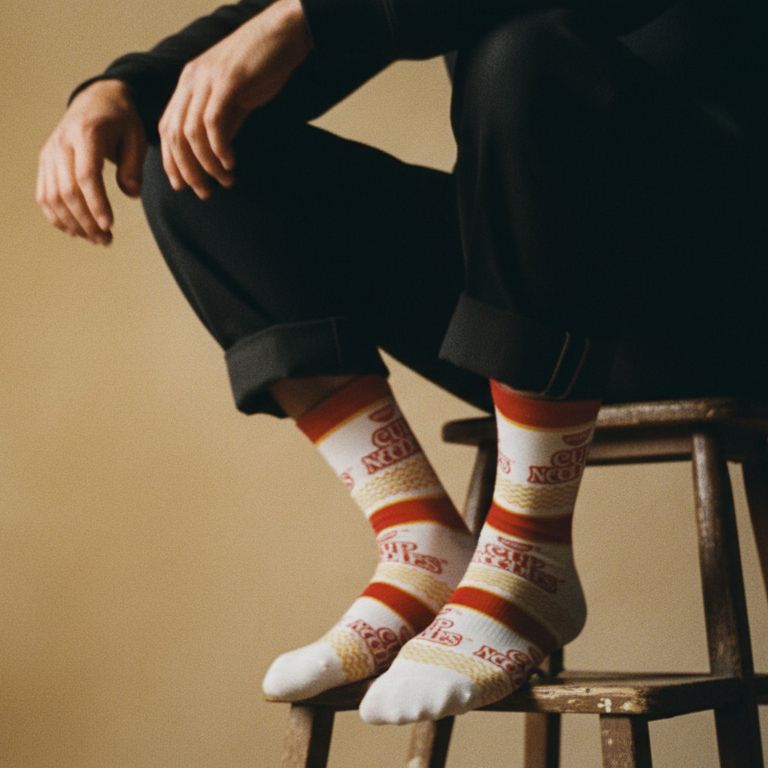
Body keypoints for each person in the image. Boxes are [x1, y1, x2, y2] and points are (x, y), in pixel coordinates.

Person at [37, 0, 768, 724]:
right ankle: (422, 544)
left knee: (527, 53)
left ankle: (531, 557)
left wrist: (309, 19)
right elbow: (273, 35)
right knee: (192, 155)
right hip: (546, 300)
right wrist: (127, 87)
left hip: (727, 296)